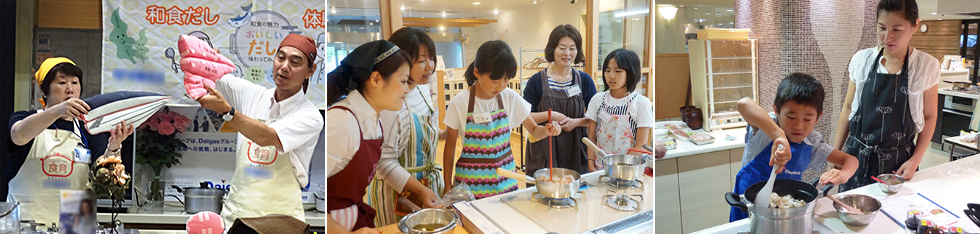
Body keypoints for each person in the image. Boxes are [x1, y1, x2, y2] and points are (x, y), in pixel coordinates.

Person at [190, 34, 324, 225]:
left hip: (281, 222)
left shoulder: (310, 117)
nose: (285, 66)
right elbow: (210, 78)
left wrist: (228, 112)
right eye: (281, 57)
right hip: (237, 216)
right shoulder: (254, 95)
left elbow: (266, 136)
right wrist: (208, 63)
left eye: (295, 62)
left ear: (310, 71)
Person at [6, 57, 134, 226]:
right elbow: (18, 135)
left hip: (76, 218)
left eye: (74, 82)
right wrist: (58, 110)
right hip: (29, 218)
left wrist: (114, 146)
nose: (70, 89)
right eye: (61, 82)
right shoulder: (26, 118)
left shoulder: (88, 129)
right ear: (44, 91)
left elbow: (103, 176)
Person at [834, 0, 940, 192]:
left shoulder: (926, 66)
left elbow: (929, 116)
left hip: (899, 163)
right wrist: (835, 153)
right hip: (856, 157)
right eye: (882, 28)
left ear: (915, 25)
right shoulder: (862, 60)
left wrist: (916, 160)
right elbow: (848, 108)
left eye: (897, 29)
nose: (887, 37)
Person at [729, 73, 859, 221]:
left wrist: (844, 174)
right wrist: (778, 136)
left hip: (784, 214)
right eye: (791, 117)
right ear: (777, 111)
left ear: (818, 117)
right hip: (749, 209)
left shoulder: (811, 142)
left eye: (807, 119)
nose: (798, 126)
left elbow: (850, 160)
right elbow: (743, 104)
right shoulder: (765, 129)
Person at [443, 40, 561, 198]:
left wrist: (547, 130)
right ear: (477, 73)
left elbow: (534, 130)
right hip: (470, 189)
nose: (500, 87)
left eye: (506, 80)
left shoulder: (509, 97)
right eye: (494, 81)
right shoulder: (460, 102)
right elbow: (449, 147)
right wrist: (447, 184)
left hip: (505, 186)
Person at [326, 40, 412, 234]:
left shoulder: (375, 120)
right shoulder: (342, 121)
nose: (407, 89)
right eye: (404, 81)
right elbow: (310, 190)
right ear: (375, 79)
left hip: (355, 222)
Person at [367, 27, 445, 227]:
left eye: (431, 58)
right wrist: (420, 190)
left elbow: (423, 135)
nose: (430, 67)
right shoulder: (391, 102)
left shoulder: (421, 90)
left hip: (426, 186)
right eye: (420, 61)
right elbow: (384, 163)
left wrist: (450, 132)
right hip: (396, 193)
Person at [522, 24, 598, 176]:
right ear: (553, 49)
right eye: (562, 47)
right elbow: (524, 116)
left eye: (572, 48)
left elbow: (595, 117)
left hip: (576, 148)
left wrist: (575, 122)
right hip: (544, 147)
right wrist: (550, 115)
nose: (567, 53)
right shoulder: (537, 81)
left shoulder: (585, 80)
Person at [584, 49, 653, 171]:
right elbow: (591, 137)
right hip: (599, 167)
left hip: (629, 169)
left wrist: (619, 168)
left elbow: (641, 146)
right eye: (607, 70)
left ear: (631, 73)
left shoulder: (641, 103)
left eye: (618, 71)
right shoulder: (597, 99)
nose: (611, 76)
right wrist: (590, 163)